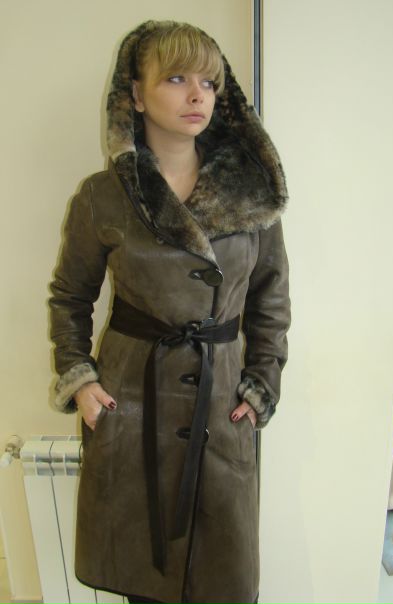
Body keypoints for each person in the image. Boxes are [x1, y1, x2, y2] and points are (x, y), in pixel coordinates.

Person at [48, 19, 291, 604]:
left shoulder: (251, 193)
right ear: (135, 95)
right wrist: (81, 380)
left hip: (221, 401)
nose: (196, 95)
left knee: (219, 573)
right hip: (134, 403)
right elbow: (70, 297)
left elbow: (271, 299)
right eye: (176, 78)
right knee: (143, 578)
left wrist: (261, 384)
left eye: (208, 82)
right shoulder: (103, 196)